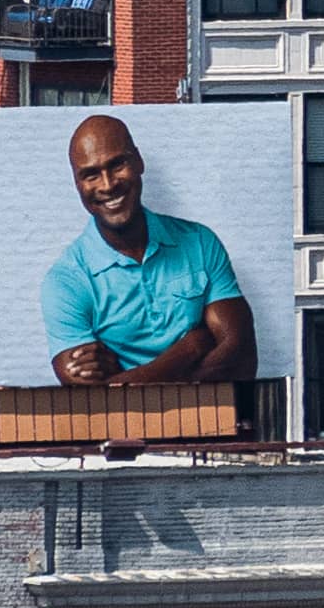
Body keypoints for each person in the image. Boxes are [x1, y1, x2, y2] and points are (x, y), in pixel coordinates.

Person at [43, 113, 258, 402]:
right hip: (123, 440)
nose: (107, 185)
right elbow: (94, 402)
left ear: (138, 162)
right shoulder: (66, 281)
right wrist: (191, 347)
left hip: (212, 428)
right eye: (91, 174)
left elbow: (242, 359)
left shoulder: (199, 242)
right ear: (77, 185)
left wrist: (126, 381)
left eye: (117, 164)